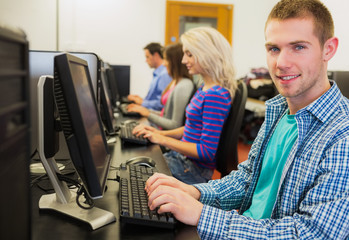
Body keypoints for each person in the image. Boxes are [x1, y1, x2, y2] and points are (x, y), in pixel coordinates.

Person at [144, 0, 349, 239]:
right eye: (273, 49)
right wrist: (194, 192)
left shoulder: (342, 134)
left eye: (298, 47)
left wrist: (202, 215)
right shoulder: (280, 112)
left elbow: (311, 234)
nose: (281, 63)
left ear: (329, 49)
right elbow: (247, 180)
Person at [133, 27, 237, 184]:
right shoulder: (204, 88)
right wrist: (159, 134)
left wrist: (162, 140)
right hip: (181, 160)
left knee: (135, 176)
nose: (183, 60)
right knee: (133, 165)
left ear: (206, 54)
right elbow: (191, 127)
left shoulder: (215, 95)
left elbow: (206, 152)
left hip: (193, 170)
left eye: (189, 54)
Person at [127, 43, 194, 130]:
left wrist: (148, 114)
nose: (164, 63)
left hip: (163, 133)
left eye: (166, 59)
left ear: (175, 62)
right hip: (160, 130)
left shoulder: (183, 86)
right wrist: (146, 111)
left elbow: (175, 125)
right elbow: (165, 115)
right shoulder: (177, 83)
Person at [127, 42, 172, 111]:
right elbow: (155, 98)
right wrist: (141, 100)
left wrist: (142, 102)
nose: (146, 60)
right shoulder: (158, 74)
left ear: (156, 55)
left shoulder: (164, 75)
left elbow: (163, 103)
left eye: (147, 57)